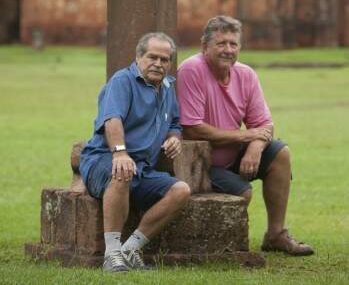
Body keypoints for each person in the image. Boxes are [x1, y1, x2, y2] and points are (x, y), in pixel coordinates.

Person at [177, 15, 314, 256]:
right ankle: (219, 248)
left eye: (233, 44)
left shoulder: (246, 74)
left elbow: (264, 125)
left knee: (280, 153)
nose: (228, 50)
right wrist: (245, 137)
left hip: (237, 153)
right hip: (201, 163)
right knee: (242, 193)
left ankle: (275, 235)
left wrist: (255, 147)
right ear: (204, 46)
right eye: (221, 43)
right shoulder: (192, 70)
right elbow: (193, 128)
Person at [80, 32, 190, 273]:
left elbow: (174, 123)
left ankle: (131, 248)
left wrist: (174, 138)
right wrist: (119, 152)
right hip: (102, 160)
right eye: (152, 57)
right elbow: (112, 119)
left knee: (181, 190)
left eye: (164, 59)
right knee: (122, 170)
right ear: (138, 57)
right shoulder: (122, 81)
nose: (158, 64)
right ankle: (112, 254)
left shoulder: (168, 88)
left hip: (142, 168)